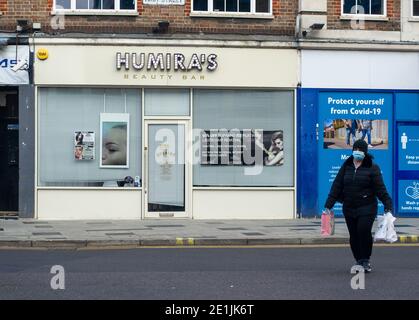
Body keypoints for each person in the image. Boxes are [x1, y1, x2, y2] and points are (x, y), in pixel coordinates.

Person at [324, 139, 393, 273]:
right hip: (349, 207)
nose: (358, 152)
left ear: (365, 153)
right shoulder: (347, 165)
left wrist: (388, 205)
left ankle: (366, 260)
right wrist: (328, 205)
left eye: (361, 150)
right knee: (354, 235)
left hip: (367, 207)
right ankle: (358, 260)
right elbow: (337, 185)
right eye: (356, 149)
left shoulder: (372, 167)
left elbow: (380, 188)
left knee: (363, 230)